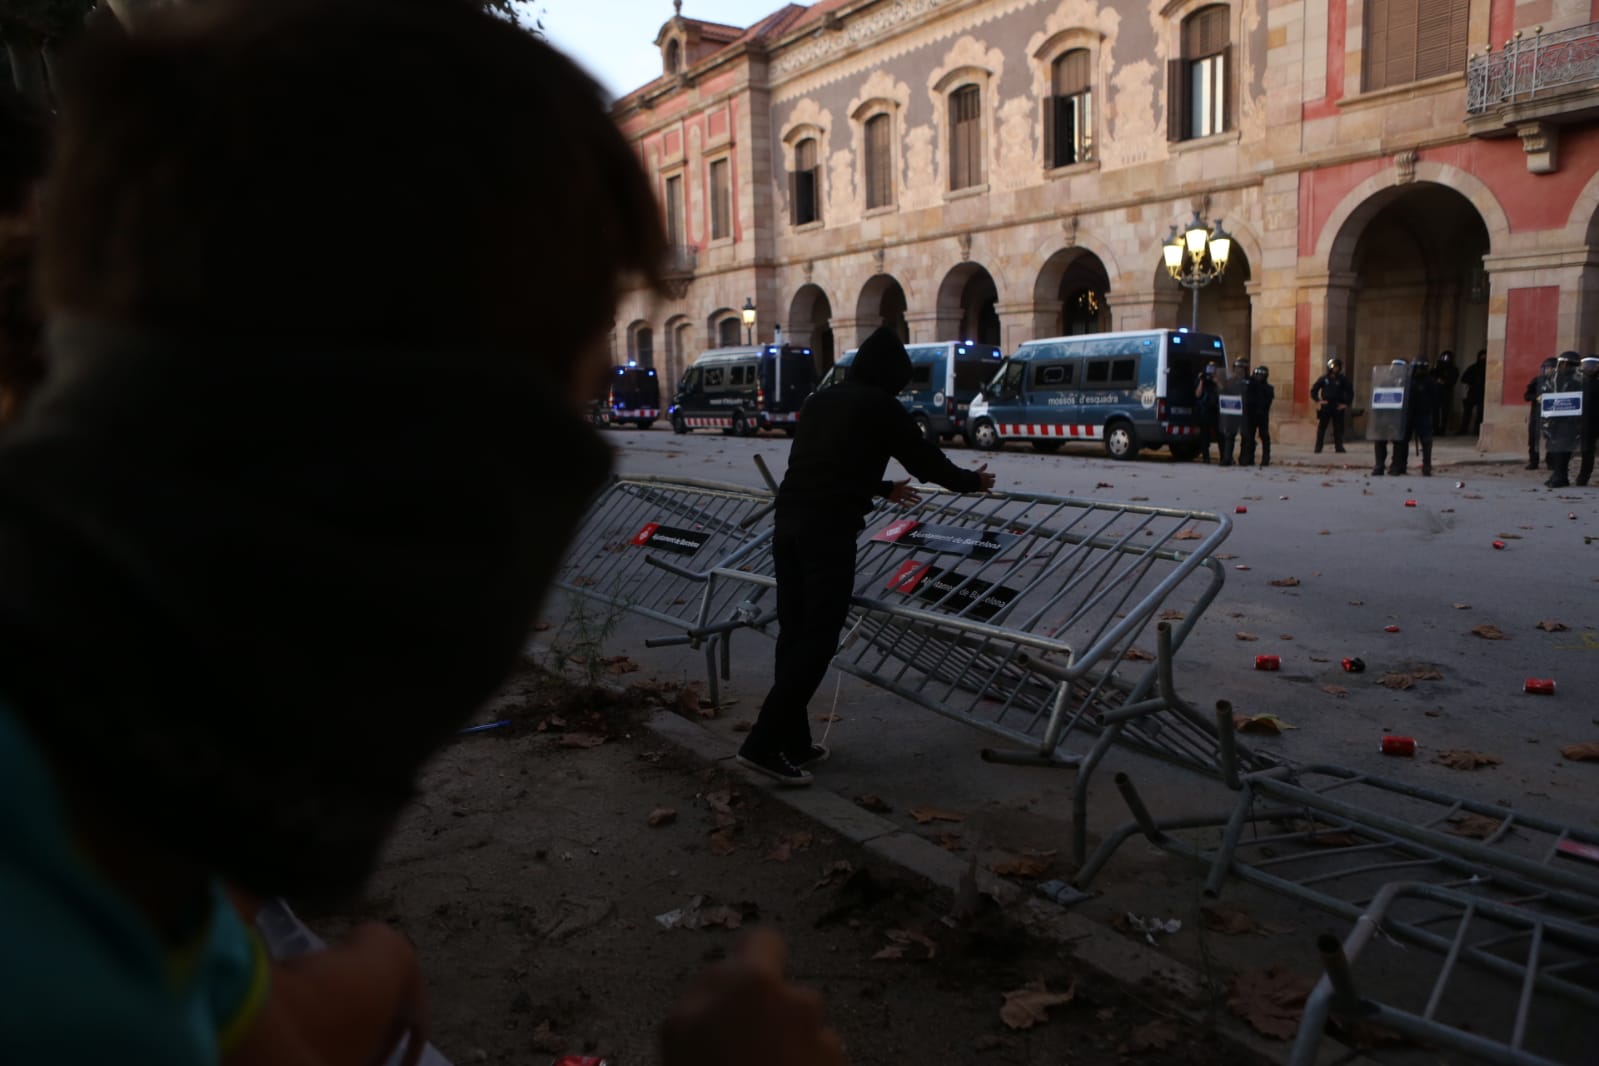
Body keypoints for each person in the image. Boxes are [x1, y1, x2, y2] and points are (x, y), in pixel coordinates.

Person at [1, 3, 843, 1065]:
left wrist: (370, 969)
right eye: (512, 488)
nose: (520, 604)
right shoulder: (59, 994)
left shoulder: (115, 830)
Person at [738, 326, 995, 786]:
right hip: (828, 532)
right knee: (818, 640)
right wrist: (972, 482)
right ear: (890, 375)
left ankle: (793, 741)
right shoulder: (881, 406)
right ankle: (762, 743)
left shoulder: (820, 401)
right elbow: (924, 460)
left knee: (793, 634)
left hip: (789, 525)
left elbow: (822, 464)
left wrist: (880, 488)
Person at [1542, 352, 1583, 489]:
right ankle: (1559, 475)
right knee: (1557, 450)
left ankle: (1560, 476)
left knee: (1562, 450)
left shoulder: (1577, 380)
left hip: (1568, 420)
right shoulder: (1555, 378)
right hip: (1556, 418)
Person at [1396, 356, 1439, 476]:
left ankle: (1427, 466)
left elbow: (1435, 399)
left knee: (1426, 441)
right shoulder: (1408, 380)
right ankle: (1401, 465)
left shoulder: (1430, 381)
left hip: (1423, 414)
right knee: (1403, 440)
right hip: (1408, 414)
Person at [1369, 359, 1409, 477]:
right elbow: (1377, 399)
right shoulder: (1385, 383)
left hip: (1399, 418)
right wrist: (1377, 417)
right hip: (1385, 417)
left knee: (1398, 442)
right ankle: (1379, 465)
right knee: (1380, 441)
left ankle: (1395, 466)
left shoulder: (1407, 384)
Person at [1309, 357, 1352, 453]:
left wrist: (1346, 404)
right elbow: (1314, 390)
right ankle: (1318, 447)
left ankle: (1339, 446)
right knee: (1322, 427)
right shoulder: (1324, 379)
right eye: (1333, 367)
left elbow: (1350, 391)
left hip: (1337, 406)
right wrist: (1318, 400)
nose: (1335, 369)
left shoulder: (1342, 379)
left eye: (1337, 367)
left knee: (1338, 427)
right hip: (1326, 406)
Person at [1525, 356, 1556, 470]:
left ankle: (1551, 462)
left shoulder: (1559, 381)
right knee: (1533, 439)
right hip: (1537, 414)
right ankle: (1533, 461)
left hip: (1552, 415)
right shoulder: (1537, 380)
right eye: (1546, 368)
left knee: (1552, 439)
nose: (1548, 370)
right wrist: (1536, 398)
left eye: (1550, 368)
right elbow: (1527, 396)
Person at [1239, 364, 1273, 467]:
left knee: (1264, 437)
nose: (1258, 377)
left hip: (1262, 415)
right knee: (1248, 437)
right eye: (1257, 375)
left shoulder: (1268, 388)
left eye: (1261, 375)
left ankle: (1265, 459)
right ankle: (1247, 458)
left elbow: (1267, 402)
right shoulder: (1250, 385)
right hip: (1250, 415)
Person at [1216, 356, 1248, 466]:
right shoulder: (1231, 382)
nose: (1239, 371)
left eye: (1241, 368)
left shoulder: (1249, 382)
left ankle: (1244, 458)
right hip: (1232, 413)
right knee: (1229, 435)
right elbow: (1224, 393)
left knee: (1246, 436)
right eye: (1237, 368)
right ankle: (1227, 458)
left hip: (1246, 414)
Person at [1577, 356, 1599, 487]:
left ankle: (1583, 478)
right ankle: (1582, 478)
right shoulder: (1578, 384)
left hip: (1594, 422)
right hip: (1585, 422)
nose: (1589, 369)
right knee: (1587, 451)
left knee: (1588, 450)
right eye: (1587, 365)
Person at [1193, 361, 1220, 462]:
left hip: (1216, 411)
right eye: (1209, 369)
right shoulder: (1202, 380)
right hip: (1204, 412)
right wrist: (1201, 381)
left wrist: (1216, 381)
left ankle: (1224, 457)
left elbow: (1224, 392)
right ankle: (1206, 457)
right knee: (1204, 436)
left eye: (1213, 369)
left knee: (1219, 435)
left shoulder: (1218, 380)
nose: (1211, 371)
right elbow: (1197, 395)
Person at [1458, 349, 1486, 436]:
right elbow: (1464, 378)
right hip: (1472, 392)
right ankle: (1463, 429)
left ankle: (1477, 431)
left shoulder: (1488, 368)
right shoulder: (1473, 368)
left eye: (1485, 356)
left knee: (1480, 413)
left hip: (1482, 393)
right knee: (1467, 412)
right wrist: (1471, 383)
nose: (1483, 358)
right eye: (1482, 356)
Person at [1433, 349, 1458, 434]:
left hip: (1446, 392)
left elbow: (1452, 381)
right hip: (1436, 391)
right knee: (1435, 410)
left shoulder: (1453, 369)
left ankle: (1443, 428)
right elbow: (1432, 375)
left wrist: (1443, 382)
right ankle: (1435, 428)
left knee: (1445, 411)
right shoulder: (1437, 368)